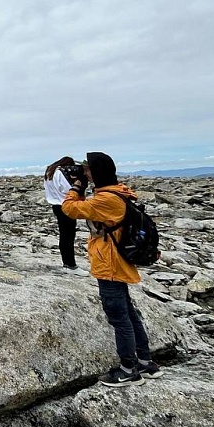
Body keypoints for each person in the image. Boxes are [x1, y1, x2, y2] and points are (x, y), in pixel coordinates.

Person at [62, 152, 163, 387]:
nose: (84, 173)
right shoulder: (117, 193)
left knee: (119, 317)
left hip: (109, 264)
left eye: (87, 170)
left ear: (97, 173)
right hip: (117, 261)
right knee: (128, 313)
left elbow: (70, 208)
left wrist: (77, 186)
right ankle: (145, 362)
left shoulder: (106, 200)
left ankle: (128, 370)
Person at [44, 156, 80, 270]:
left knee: (64, 235)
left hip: (56, 205)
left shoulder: (50, 172)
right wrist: (76, 184)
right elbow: (65, 189)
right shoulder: (60, 172)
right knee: (69, 236)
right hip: (65, 205)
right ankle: (70, 265)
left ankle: (66, 263)